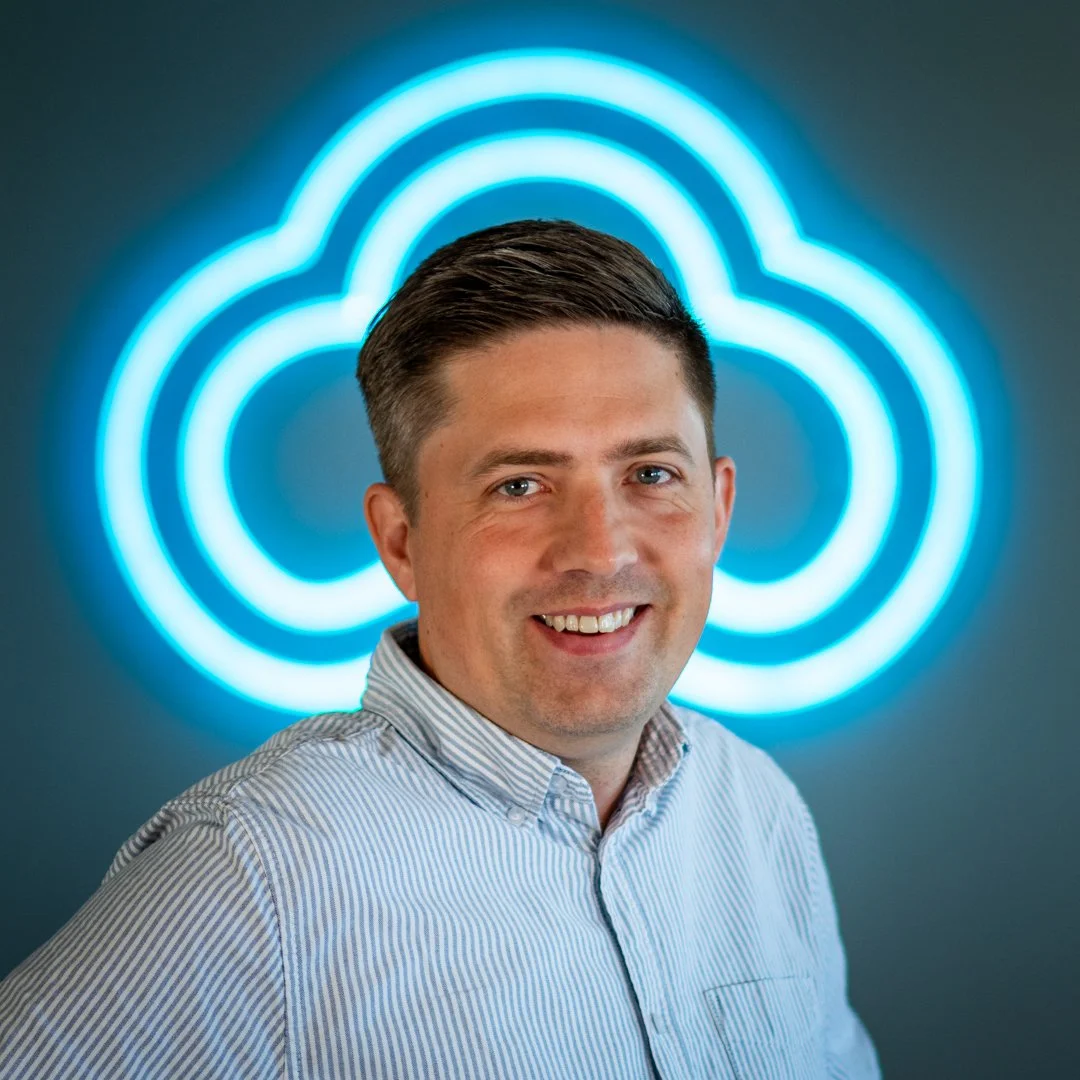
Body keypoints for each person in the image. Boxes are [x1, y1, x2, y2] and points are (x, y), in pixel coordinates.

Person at [0, 220, 880, 1078]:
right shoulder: (260, 870)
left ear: (719, 509)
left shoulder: (757, 810)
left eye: (650, 474)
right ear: (402, 542)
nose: (601, 550)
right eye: (521, 484)